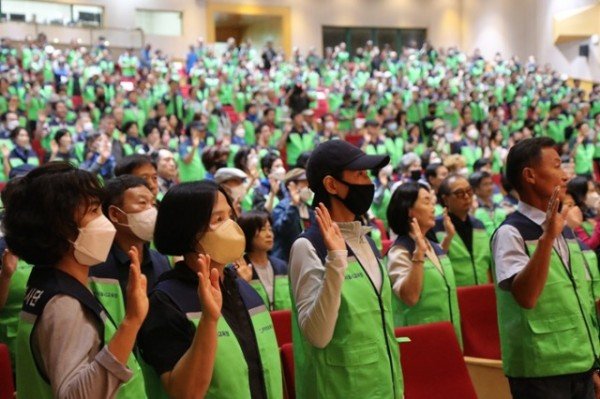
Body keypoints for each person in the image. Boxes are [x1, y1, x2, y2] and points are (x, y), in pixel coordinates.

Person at [3, 162, 147, 398]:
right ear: (61, 229)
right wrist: (131, 322)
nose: (105, 222)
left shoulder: (49, 282)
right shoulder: (63, 303)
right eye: (93, 211)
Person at [137, 181, 283, 398]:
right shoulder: (166, 301)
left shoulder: (243, 287)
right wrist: (209, 321)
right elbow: (184, 392)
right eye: (218, 219)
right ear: (190, 231)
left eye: (230, 217)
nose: (231, 226)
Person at [289, 140, 403, 398]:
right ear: (331, 185)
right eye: (360, 175)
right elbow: (317, 336)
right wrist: (336, 258)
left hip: (384, 384)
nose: (368, 183)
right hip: (339, 389)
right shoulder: (307, 247)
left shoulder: (365, 239)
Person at [493, 137, 600, 398]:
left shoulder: (566, 231)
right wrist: (547, 237)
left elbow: (579, 299)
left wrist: (594, 364)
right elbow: (526, 296)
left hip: (581, 361)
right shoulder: (510, 232)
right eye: (556, 166)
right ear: (529, 175)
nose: (565, 177)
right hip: (541, 369)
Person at [386, 182, 462, 344]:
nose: (433, 208)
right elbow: (410, 297)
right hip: (422, 339)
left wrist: (448, 238)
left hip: (449, 332)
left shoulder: (432, 245)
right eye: (427, 202)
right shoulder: (400, 250)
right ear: (409, 211)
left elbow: (437, 274)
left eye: (433, 203)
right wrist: (418, 254)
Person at [89, 175, 170, 325]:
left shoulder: (161, 260)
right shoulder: (95, 265)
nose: (151, 211)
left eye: (152, 204)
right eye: (142, 203)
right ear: (115, 214)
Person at [432, 174, 491, 286]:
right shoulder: (435, 227)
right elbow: (435, 265)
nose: (466, 197)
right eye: (459, 193)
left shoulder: (479, 224)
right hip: (454, 294)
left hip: (482, 291)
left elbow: (486, 263)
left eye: (469, 192)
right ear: (445, 199)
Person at [238, 211, 291, 310]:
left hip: (284, 323)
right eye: (263, 229)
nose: (269, 234)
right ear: (247, 233)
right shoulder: (239, 269)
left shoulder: (281, 266)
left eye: (270, 229)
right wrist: (243, 283)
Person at [271, 168, 315, 260]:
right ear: (291, 185)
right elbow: (280, 230)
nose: (308, 186)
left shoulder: (309, 208)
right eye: (304, 182)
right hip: (286, 259)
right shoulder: (282, 206)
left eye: (309, 182)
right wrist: (293, 206)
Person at [470, 170, 507, 236]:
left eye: (491, 183)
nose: (490, 187)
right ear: (475, 189)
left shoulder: (500, 202)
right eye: (485, 184)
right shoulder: (472, 208)